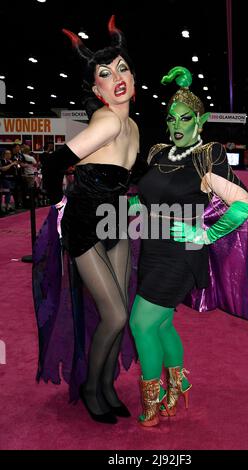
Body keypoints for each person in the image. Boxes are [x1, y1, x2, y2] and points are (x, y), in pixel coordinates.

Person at [128, 66, 248, 427]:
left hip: (181, 255)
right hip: (153, 252)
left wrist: (207, 235)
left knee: (141, 324)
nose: (176, 125)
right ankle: (178, 383)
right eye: (171, 118)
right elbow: (145, 201)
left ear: (199, 120)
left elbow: (244, 204)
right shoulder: (158, 153)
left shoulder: (208, 155)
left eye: (184, 119)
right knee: (162, 325)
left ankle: (152, 404)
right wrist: (121, 208)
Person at [33, 15, 139, 424]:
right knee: (114, 315)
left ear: (133, 75)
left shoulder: (132, 126)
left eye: (123, 68)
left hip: (117, 223)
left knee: (120, 314)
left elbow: (135, 175)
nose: (117, 77)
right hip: (85, 227)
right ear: (95, 87)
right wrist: (59, 203)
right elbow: (55, 160)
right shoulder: (110, 120)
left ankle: (109, 384)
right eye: (104, 73)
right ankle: (92, 387)